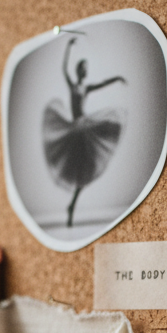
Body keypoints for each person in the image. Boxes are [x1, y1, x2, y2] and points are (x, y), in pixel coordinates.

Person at [42, 37, 126, 227]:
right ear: (79, 71)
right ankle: (71, 208)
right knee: (79, 170)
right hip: (74, 129)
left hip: (84, 127)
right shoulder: (73, 85)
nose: (85, 71)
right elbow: (64, 68)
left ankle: (71, 206)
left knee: (83, 172)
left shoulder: (86, 87)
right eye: (83, 68)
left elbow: (103, 83)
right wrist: (68, 47)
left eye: (87, 69)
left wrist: (117, 79)